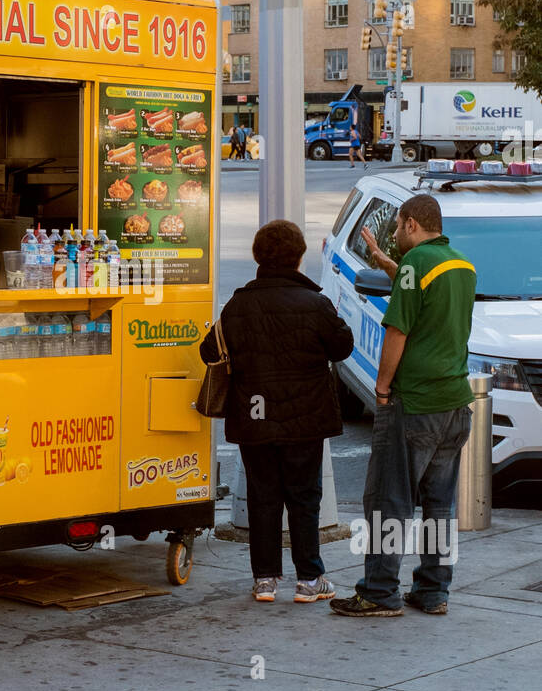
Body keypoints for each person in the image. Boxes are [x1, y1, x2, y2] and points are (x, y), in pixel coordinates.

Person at [331, 194, 475, 618]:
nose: (394, 235)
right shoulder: (459, 265)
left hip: (415, 403)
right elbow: (420, 295)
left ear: (412, 224)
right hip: (455, 404)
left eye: (396, 227)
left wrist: (380, 388)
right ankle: (432, 592)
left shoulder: (416, 264)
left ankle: (378, 592)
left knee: (389, 500)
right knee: (437, 505)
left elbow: (397, 330)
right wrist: (381, 259)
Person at [200, 219, 354, 603]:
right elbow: (342, 347)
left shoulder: (239, 304)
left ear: (257, 257)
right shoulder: (315, 304)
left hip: (253, 418)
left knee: (262, 496)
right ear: (299, 257)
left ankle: (265, 579)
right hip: (305, 420)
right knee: (304, 497)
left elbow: (208, 351)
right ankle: (309, 579)